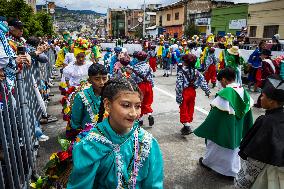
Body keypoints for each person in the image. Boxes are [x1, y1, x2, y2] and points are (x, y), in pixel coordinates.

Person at [67, 77, 164, 189]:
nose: (133, 113)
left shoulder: (147, 143)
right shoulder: (90, 146)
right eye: (126, 105)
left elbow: (154, 184)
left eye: (137, 106)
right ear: (108, 105)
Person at [194, 68, 254, 178]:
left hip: (224, 127)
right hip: (237, 128)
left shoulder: (226, 93)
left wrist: (207, 128)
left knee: (214, 144)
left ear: (224, 80)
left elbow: (215, 114)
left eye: (220, 81)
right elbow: (247, 113)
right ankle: (232, 171)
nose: (221, 84)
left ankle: (209, 163)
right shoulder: (243, 90)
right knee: (233, 149)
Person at [235, 75, 284, 189]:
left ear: (271, 101)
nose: (260, 98)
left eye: (263, 95)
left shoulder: (265, 122)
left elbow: (255, 160)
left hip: (268, 177)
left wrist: (241, 183)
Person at [68, 64, 108, 139]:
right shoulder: (81, 96)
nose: (102, 82)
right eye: (97, 79)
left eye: (104, 78)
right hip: (88, 139)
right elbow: (75, 122)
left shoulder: (111, 95)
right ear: (89, 80)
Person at [176, 54, 210, 135]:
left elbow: (179, 85)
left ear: (185, 62)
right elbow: (203, 82)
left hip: (185, 92)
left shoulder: (181, 71)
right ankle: (187, 124)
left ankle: (187, 125)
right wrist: (207, 91)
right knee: (190, 107)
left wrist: (178, 97)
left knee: (183, 108)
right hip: (192, 92)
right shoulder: (197, 72)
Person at [130, 51, 154, 127]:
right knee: (148, 102)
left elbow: (133, 79)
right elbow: (152, 77)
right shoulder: (149, 66)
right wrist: (151, 85)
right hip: (148, 85)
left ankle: (140, 120)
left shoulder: (135, 67)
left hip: (140, 86)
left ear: (137, 58)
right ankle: (150, 114)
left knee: (139, 103)